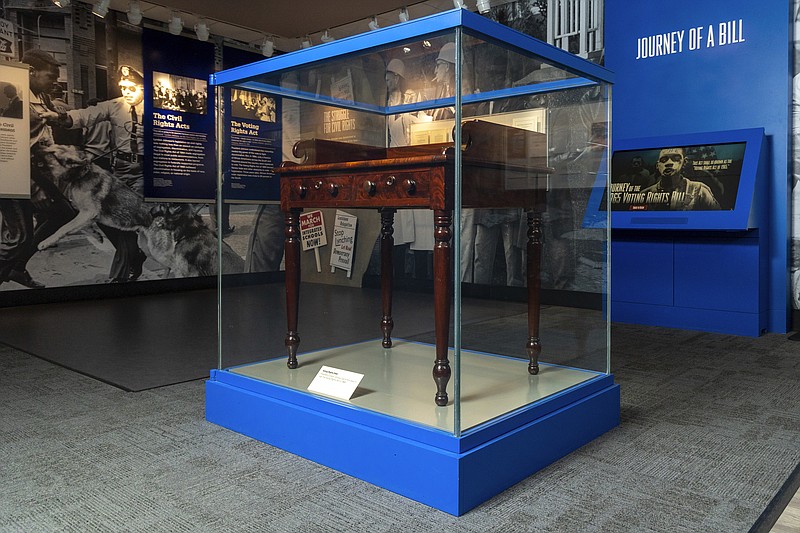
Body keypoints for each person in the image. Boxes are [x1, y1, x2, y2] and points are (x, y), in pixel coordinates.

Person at [48, 65, 148, 281]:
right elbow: (86, 115)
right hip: (120, 169)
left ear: (143, 87)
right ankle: (135, 257)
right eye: (123, 87)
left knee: (129, 220)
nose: (126, 92)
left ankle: (120, 275)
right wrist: (59, 117)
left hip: (144, 171)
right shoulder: (115, 106)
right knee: (110, 221)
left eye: (132, 87)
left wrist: (154, 133)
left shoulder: (156, 109)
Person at [0, 49, 75, 288]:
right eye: (50, 77)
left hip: (37, 169)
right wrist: (34, 187)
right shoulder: (13, 94)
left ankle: (17, 268)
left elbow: (42, 135)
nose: (54, 82)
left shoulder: (40, 96)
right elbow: (9, 146)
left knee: (64, 213)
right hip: (14, 171)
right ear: (31, 71)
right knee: (19, 237)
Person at [641, 147, 721, 210]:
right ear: (657, 165)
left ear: (684, 162)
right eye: (664, 160)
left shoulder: (699, 190)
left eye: (676, 158)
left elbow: (718, 218)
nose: (669, 163)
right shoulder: (644, 194)